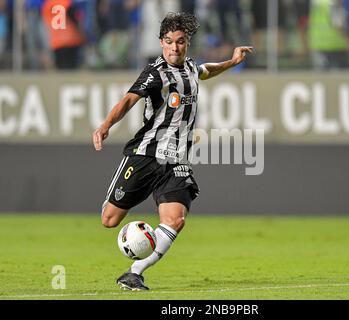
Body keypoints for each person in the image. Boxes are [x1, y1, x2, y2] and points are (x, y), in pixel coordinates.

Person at [92, 11, 253, 291]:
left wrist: (232, 61)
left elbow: (206, 70)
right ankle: (136, 234)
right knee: (109, 219)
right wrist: (106, 125)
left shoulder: (190, 68)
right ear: (161, 42)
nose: (174, 47)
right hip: (145, 157)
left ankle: (134, 272)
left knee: (176, 221)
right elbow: (129, 100)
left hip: (176, 161)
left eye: (180, 41)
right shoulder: (155, 74)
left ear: (187, 43)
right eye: (169, 42)